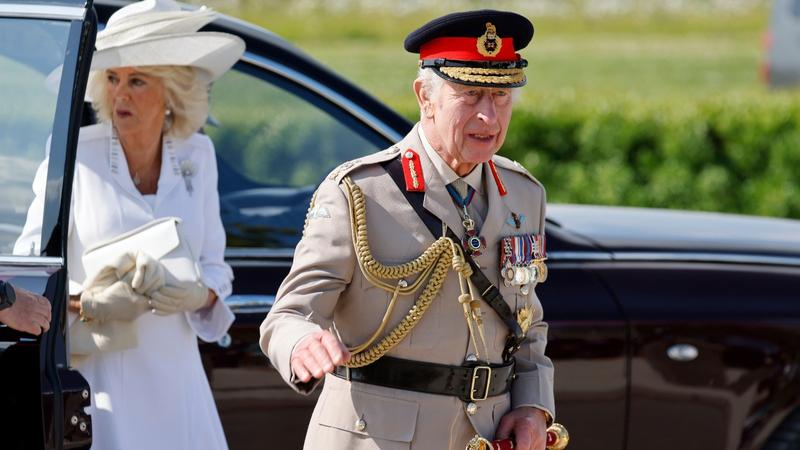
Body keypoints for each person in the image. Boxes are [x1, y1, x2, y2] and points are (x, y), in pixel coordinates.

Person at [260, 10, 554, 450]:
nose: (489, 117)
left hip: (486, 436)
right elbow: (287, 316)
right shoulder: (361, 191)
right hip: (378, 436)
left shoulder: (523, 194)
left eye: (501, 97)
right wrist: (303, 344)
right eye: (471, 95)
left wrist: (533, 406)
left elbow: (526, 324)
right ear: (425, 96)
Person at [14, 0, 244, 448]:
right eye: (113, 79)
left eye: (137, 80)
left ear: (173, 92)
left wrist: (198, 292)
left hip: (178, 382)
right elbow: (30, 272)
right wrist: (88, 300)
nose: (121, 94)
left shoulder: (199, 155)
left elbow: (216, 267)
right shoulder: (74, 155)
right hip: (100, 382)